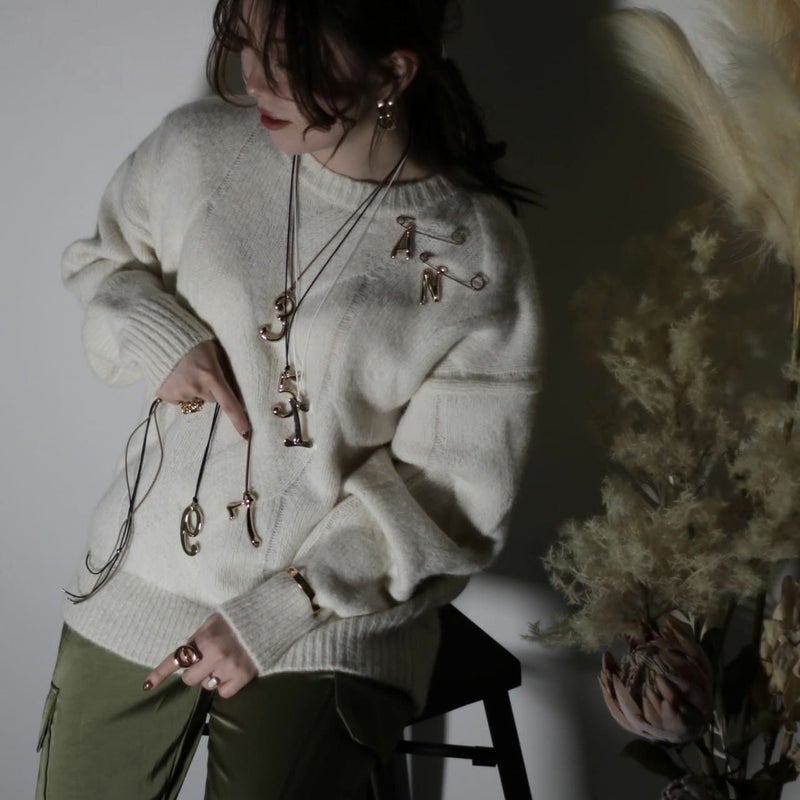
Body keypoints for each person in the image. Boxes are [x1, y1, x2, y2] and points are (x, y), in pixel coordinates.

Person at [36, 0, 540, 797]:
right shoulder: (198, 149)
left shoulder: (473, 254)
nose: (255, 77)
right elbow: (102, 265)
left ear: (393, 72)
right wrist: (160, 336)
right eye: (246, 43)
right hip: (149, 573)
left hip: (333, 614)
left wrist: (281, 609)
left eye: (292, 60)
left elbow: (451, 491)